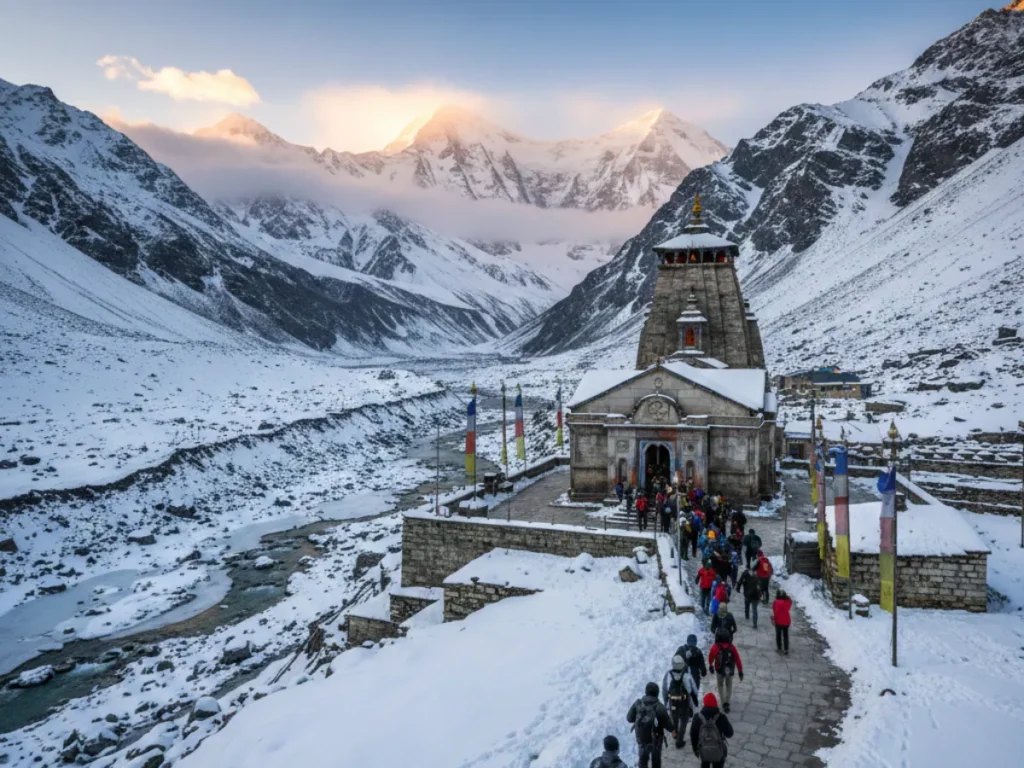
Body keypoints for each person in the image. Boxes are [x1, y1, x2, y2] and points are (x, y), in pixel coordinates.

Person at [626, 682, 675, 768]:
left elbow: (629, 718)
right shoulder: (659, 707)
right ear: (657, 693)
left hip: (641, 739)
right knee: (656, 761)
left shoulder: (638, 703)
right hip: (656, 740)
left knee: (642, 761)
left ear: (646, 692)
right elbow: (667, 723)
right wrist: (673, 730)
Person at [663, 655, 699, 749]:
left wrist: (666, 702)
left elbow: (665, 690)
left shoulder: (668, 675)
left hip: (673, 703)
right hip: (684, 704)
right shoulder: (686, 675)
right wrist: (695, 701)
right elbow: (692, 690)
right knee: (683, 721)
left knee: (674, 720)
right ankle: (680, 741)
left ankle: (675, 734)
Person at [690, 692, 734, 768]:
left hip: (704, 749)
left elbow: (693, 735)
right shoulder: (721, 717)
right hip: (718, 751)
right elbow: (730, 734)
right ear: (715, 703)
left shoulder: (697, 717)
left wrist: (695, 750)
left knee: (704, 764)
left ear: (704, 703)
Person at [707, 631, 744, 713]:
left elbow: (711, 657)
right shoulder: (732, 647)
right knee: (729, 685)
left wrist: (710, 665)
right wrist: (740, 671)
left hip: (719, 670)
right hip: (729, 670)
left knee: (720, 685)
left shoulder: (715, 647)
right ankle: (727, 702)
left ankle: (723, 702)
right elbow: (738, 660)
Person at [772, 589, 793, 654]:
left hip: (778, 621)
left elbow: (775, 611)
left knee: (778, 635)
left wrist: (773, 619)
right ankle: (786, 649)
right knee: (786, 635)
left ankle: (779, 648)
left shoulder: (776, 602)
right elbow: (789, 602)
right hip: (786, 621)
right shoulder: (788, 602)